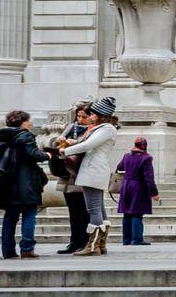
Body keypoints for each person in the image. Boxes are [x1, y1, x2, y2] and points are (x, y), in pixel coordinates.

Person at [60, 96, 120, 255]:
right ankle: (100, 245)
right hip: (93, 169)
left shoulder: (107, 129)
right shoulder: (100, 129)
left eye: (93, 114)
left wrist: (65, 151)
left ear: (101, 115)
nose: (90, 116)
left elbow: (88, 145)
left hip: (94, 170)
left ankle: (92, 246)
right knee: (98, 208)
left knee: (93, 208)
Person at [0, 110, 46, 260]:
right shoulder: (25, 135)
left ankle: (7, 250)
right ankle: (27, 249)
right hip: (26, 182)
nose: (30, 123)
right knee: (29, 215)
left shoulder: (1, 135)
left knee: (10, 216)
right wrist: (47, 155)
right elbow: (34, 155)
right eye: (28, 120)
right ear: (22, 122)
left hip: (7, 182)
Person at [48, 99, 92, 254]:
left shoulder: (92, 130)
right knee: (73, 212)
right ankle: (74, 242)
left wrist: (74, 143)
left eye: (84, 117)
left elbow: (88, 147)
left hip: (81, 174)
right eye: (78, 116)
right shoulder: (70, 127)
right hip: (67, 175)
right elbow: (54, 144)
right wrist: (58, 141)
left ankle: (85, 241)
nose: (80, 120)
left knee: (83, 212)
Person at [115, 137, 159, 246]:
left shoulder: (127, 156)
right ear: (144, 146)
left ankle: (126, 240)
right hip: (138, 187)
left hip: (126, 186)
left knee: (127, 213)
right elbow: (149, 178)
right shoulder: (146, 158)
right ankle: (137, 239)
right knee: (137, 213)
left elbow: (119, 167)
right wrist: (154, 193)